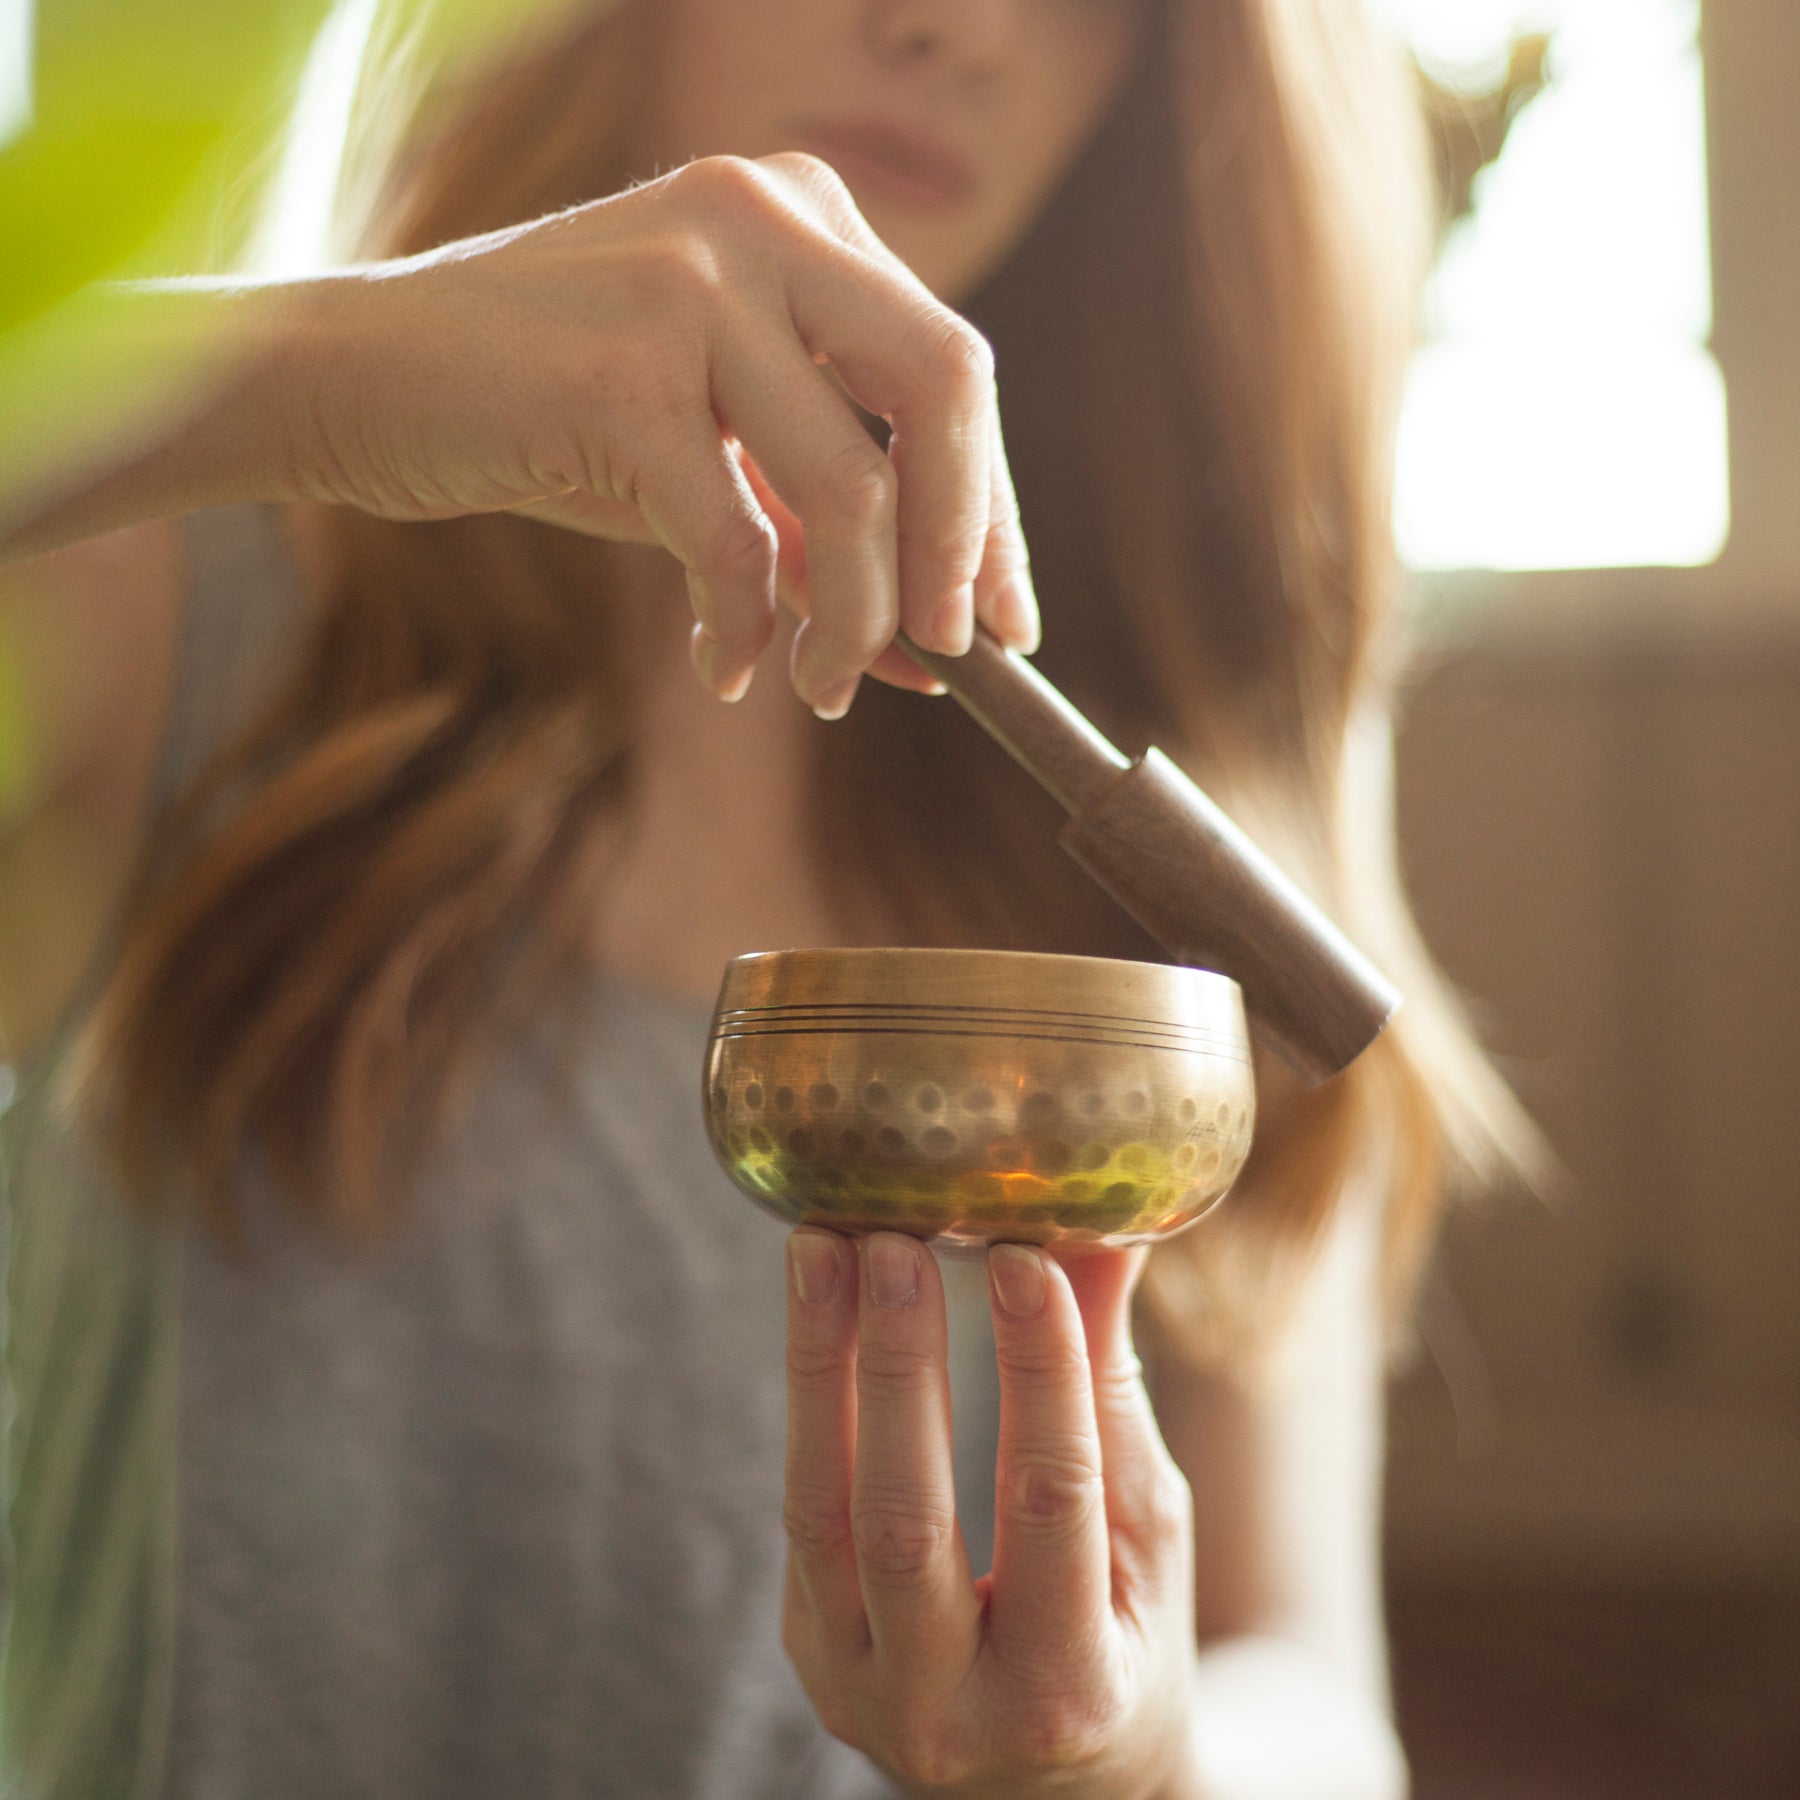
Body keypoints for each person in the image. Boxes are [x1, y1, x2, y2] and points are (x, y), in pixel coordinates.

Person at [0, 1, 1525, 1794]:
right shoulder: (172, 589)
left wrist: (1146, 1757)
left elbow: (1313, 1690)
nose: (953, 25)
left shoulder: (1199, 751)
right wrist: (319, 378)